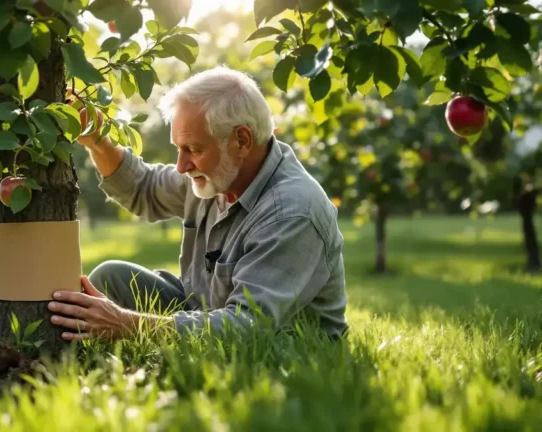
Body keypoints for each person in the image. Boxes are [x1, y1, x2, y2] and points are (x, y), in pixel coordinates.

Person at [47, 66, 349, 342]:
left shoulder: (292, 212)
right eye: (178, 149)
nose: (181, 166)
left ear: (242, 140)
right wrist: (98, 140)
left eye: (193, 149)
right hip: (205, 307)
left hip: (281, 348)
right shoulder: (218, 176)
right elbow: (143, 188)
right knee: (111, 278)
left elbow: (248, 326)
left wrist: (128, 324)